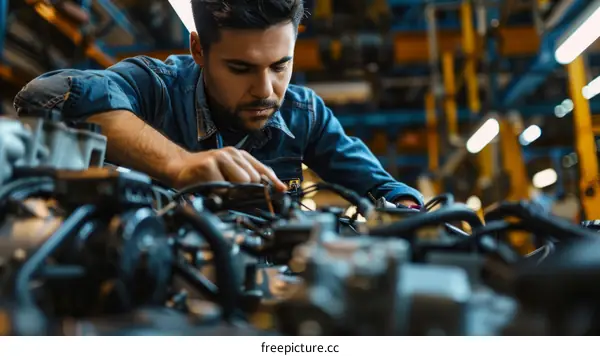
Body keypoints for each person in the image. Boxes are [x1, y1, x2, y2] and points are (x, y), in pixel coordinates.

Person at [13, 0, 423, 207]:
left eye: (281, 66)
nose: (266, 90)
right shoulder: (157, 88)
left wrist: (407, 211)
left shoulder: (306, 115)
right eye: (241, 68)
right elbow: (47, 95)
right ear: (199, 49)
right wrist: (178, 164)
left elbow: (386, 190)